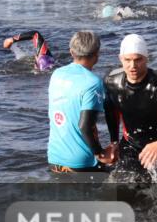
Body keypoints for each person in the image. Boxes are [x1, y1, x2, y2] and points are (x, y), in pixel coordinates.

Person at [104, 34, 157, 180]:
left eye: (138, 59)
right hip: (130, 145)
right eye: (127, 60)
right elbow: (110, 112)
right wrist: (114, 141)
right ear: (120, 59)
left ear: (147, 58)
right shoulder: (111, 82)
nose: (133, 66)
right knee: (122, 188)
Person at [46, 31, 117, 173]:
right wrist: (100, 153)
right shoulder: (93, 82)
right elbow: (84, 126)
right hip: (82, 163)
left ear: (71, 52)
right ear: (97, 54)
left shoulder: (56, 74)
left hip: (54, 159)